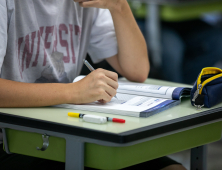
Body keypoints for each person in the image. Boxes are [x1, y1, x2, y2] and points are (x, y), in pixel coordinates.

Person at [0, 0, 186, 169]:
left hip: (68, 132)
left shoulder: (86, 4)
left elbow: (137, 70)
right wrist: (73, 92)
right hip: (14, 141)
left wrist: (119, 6)